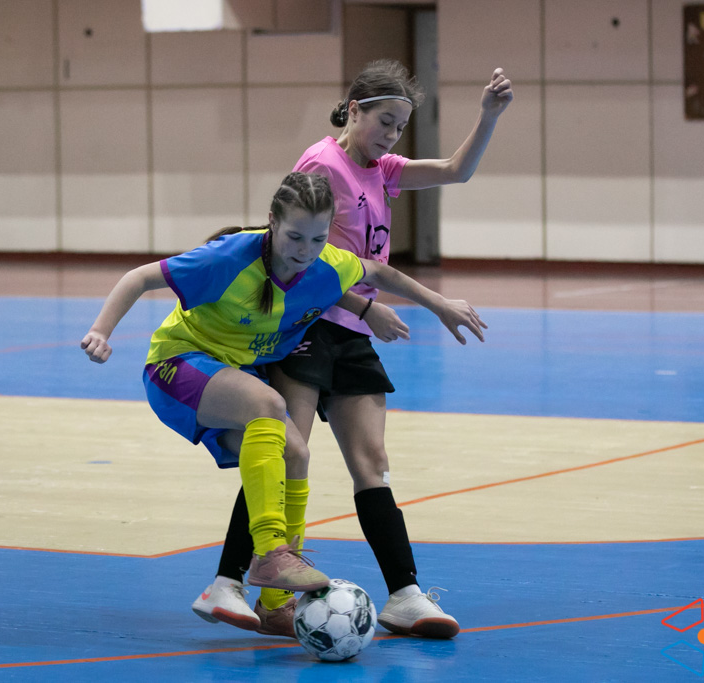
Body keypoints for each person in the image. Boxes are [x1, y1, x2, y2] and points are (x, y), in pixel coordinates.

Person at [80, 171, 487, 632]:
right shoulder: (229, 257)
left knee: (296, 453)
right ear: (272, 221)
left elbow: (377, 272)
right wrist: (100, 331)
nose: (305, 250)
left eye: (317, 239)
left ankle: (269, 603)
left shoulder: (326, 264)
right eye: (294, 236)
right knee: (270, 405)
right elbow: (138, 278)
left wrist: (428, 304)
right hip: (177, 366)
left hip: (231, 379)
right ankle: (271, 551)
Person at [195, 60, 512, 639]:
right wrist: (373, 307)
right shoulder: (322, 165)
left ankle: (405, 596)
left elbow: (455, 171)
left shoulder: (383, 170)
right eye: (385, 121)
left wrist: (488, 116)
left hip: (354, 333)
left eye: (401, 126)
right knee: (283, 452)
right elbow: (296, 261)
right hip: (308, 326)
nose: (392, 135)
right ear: (355, 109)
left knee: (372, 462)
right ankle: (229, 582)